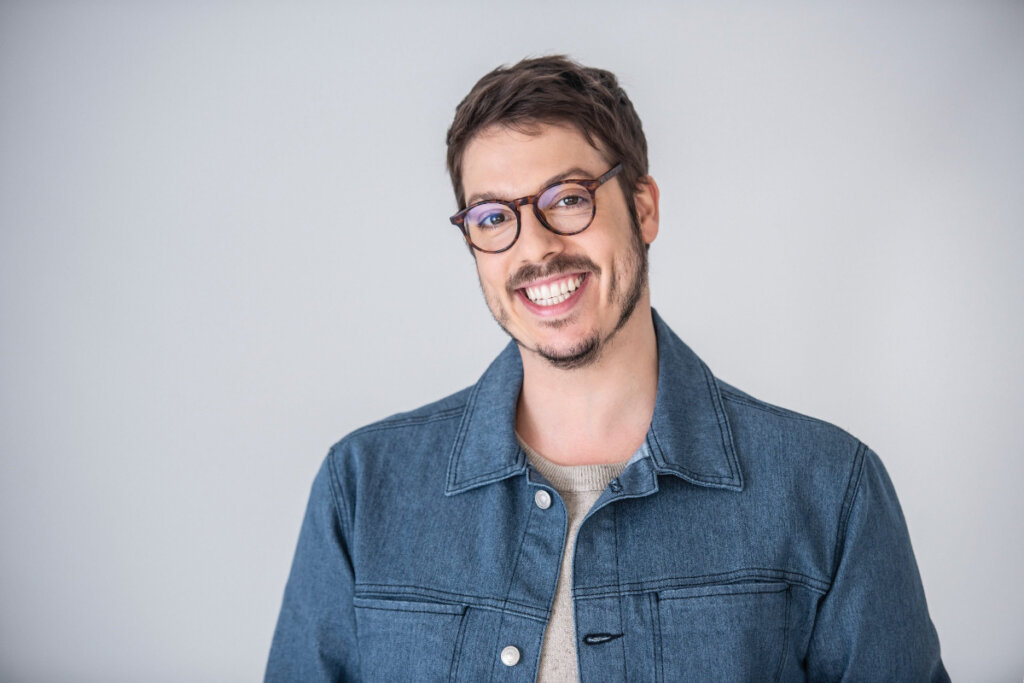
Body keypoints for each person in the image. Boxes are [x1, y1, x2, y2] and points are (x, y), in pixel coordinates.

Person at [265, 55, 948, 682]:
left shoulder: (829, 490)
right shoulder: (361, 489)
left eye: (567, 198)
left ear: (642, 207)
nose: (535, 248)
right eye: (494, 216)